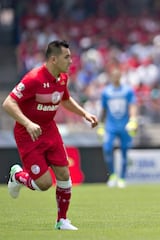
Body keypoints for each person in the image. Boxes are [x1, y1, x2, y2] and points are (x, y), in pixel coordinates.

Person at [2, 40, 98, 230]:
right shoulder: (33, 78)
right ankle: (18, 176)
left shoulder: (62, 78)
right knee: (44, 184)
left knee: (64, 174)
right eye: (67, 57)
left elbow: (65, 100)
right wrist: (28, 123)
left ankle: (62, 220)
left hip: (49, 129)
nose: (71, 61)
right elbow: (8, 103)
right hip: (28, 133)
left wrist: (84, 114)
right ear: (53, 59)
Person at [99, 68, 138, 188]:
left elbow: (132, 105)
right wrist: (101, 124)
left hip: (124, 125)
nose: (116, 78)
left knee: (125, 152)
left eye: (117, 75)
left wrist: (133, 119)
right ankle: (112, 175)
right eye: (113, 75)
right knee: (107, 148)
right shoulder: (106, 92)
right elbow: (104, 109)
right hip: (110, 126)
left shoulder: (127, 91)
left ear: (120, 76)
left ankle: (122, 178)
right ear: (111, 77)